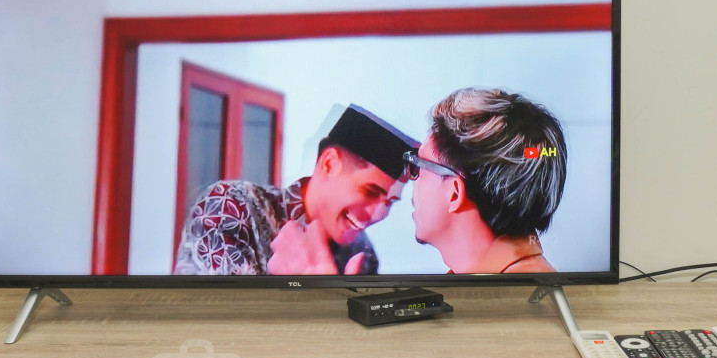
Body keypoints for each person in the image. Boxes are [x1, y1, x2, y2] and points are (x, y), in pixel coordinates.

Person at [173, 104, 417, 276]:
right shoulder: (232, 206)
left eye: (390, 202)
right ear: (329, 164)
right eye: (370, 191)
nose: (379, 214)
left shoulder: (362, 254)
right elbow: (235, 315)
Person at [404, 87, 567, 274]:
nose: (412, 180)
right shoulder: (515, 280)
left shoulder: (510, 290)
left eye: (418, 166)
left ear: (454, 193)